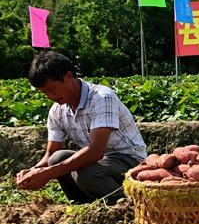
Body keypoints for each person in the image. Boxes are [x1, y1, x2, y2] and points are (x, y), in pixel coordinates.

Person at [16, 51, 147, 204]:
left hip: (129, 160)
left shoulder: (102, 98)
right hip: (100, 163)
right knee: (57, 158)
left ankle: (125, 205)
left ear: (69, 76)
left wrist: (47, 174)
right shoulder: (57, 110)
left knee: (87, 173)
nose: (50, 96)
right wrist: (33, 171)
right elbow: (51, 152)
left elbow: (95, 151)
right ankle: (83, 204)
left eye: (52, 89)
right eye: (45, 93)